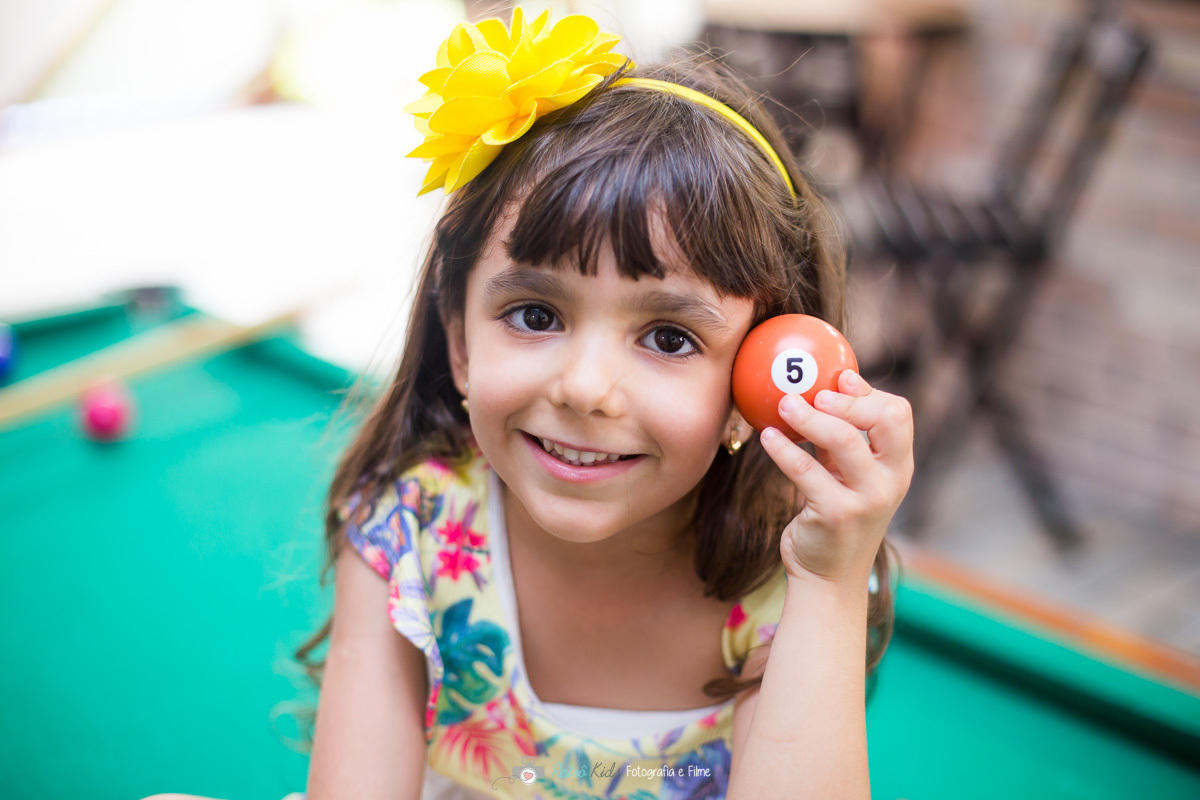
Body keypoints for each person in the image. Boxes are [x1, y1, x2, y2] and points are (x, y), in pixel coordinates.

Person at [143, 6, 913, 800]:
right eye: (536, 316)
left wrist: (829, 580)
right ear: (461, 339)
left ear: (753, 383)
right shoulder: (411, 527)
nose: (584, 388)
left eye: (670, 338)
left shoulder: (786, 581)